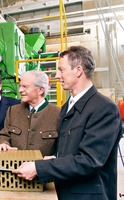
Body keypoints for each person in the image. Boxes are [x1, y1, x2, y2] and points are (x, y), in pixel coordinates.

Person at [12, 46, 122, 200]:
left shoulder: (104, 108)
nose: (57, 75)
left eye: (61, 70)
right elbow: (71, 148)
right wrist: (56, 158)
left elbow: (89, 160)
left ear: (78, 70)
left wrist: (40, 167)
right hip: (67, 192)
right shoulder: (67, 106)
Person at [0, 70, 60, 156]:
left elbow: (63, 147)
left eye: (25, 87)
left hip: (42, 168)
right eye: (20, 86)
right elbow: (3, 135)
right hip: (16, 167)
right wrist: (3, 143)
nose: (20, 90)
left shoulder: (58, 114)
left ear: (40, 90)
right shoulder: (13, 111)